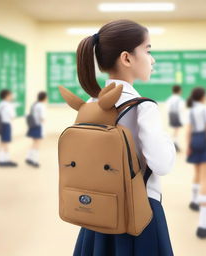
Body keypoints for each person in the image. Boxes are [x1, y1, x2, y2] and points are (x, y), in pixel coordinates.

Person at [73, 19, 176, 255]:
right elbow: (162, 164)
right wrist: (168, 140)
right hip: (139, 214)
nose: (152, 59)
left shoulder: (90, 104)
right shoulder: (143, 107)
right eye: (148, 50)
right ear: (127, 58)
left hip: (97, 211)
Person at [185, 87, 206, 238]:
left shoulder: (190, 111)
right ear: (203, 97)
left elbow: (187, 130)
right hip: (204, 142)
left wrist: (187, 146)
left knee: (197, 173)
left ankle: (193, 201)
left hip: (194, 142)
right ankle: (203, 225)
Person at [0, 89, 18, 167]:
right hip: (6, 125)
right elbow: (13, 116)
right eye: (10, 95)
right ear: (6, 96)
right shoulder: (8, 105)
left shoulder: (0, 104)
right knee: (5, 143)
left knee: (2, 142)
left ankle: (1, 159)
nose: (11, 96)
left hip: (0, 124)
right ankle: (4, 160)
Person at [26, 92, 47, 168]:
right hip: (38, 126)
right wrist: (44, 121)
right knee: (37, 144)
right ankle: (35, 161)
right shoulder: (41, 106)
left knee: (34, 143)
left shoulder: (35, 104)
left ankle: (29, 158)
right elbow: (42, 117)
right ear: (44, 98)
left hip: (33, 125)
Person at [166, 85, 184, 152]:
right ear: (179, 91)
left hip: (171, 114)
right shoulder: (179, 99)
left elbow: (167, 107)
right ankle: (175, 143)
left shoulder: (170, 98)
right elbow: (181, 108)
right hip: (176, 114)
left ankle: (174, 143)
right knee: (176, 130)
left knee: (174, 130)